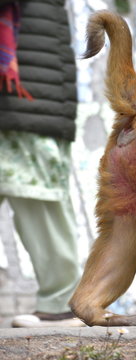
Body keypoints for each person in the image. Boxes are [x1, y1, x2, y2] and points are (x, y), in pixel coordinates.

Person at [0, 0, 83, 327]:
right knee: (40, 196)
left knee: (39, 195)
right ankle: (61, 302)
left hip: (28, 93)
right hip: (29, 87)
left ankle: (62, 304)